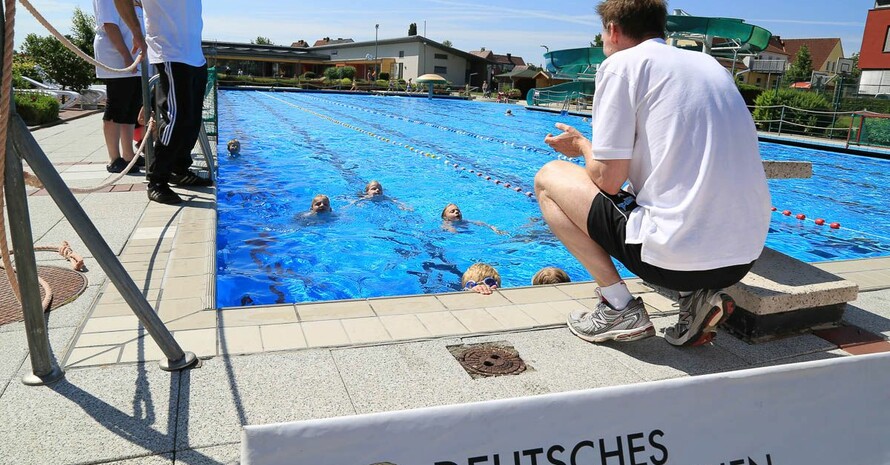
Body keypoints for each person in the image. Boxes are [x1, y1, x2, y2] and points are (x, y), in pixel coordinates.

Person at [534, 0, 770, 347]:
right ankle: (695, 300)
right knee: (657, 203)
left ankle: (618, 306)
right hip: (742, 258)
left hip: (675, 260)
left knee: (549, 178)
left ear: (613, 29)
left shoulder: (621, 65)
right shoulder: (712, 66)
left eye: (602, 34)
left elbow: (607, 180)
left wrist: (582, 146)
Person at [115, 0, 213, 205]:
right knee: (177, 119)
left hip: (195, 55)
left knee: (193, 120)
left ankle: (179, 168)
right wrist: (136, 32)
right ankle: (157, 180)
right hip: (170, 51)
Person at [94, 0, 143, 175]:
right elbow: (109, 24)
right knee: (117, 106)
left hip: (135, 57)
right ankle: (114, 158)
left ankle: (128, 154)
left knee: (130, 108)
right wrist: (125, 55)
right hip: (118, 57)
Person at [440, 203, 505, 235]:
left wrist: (493, 228)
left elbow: (480, 223)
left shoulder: (464, 221)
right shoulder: (446, 224)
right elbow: (453, 233)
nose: (457, 212)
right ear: (445, 217)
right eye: (452, 211)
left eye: (458, 210)